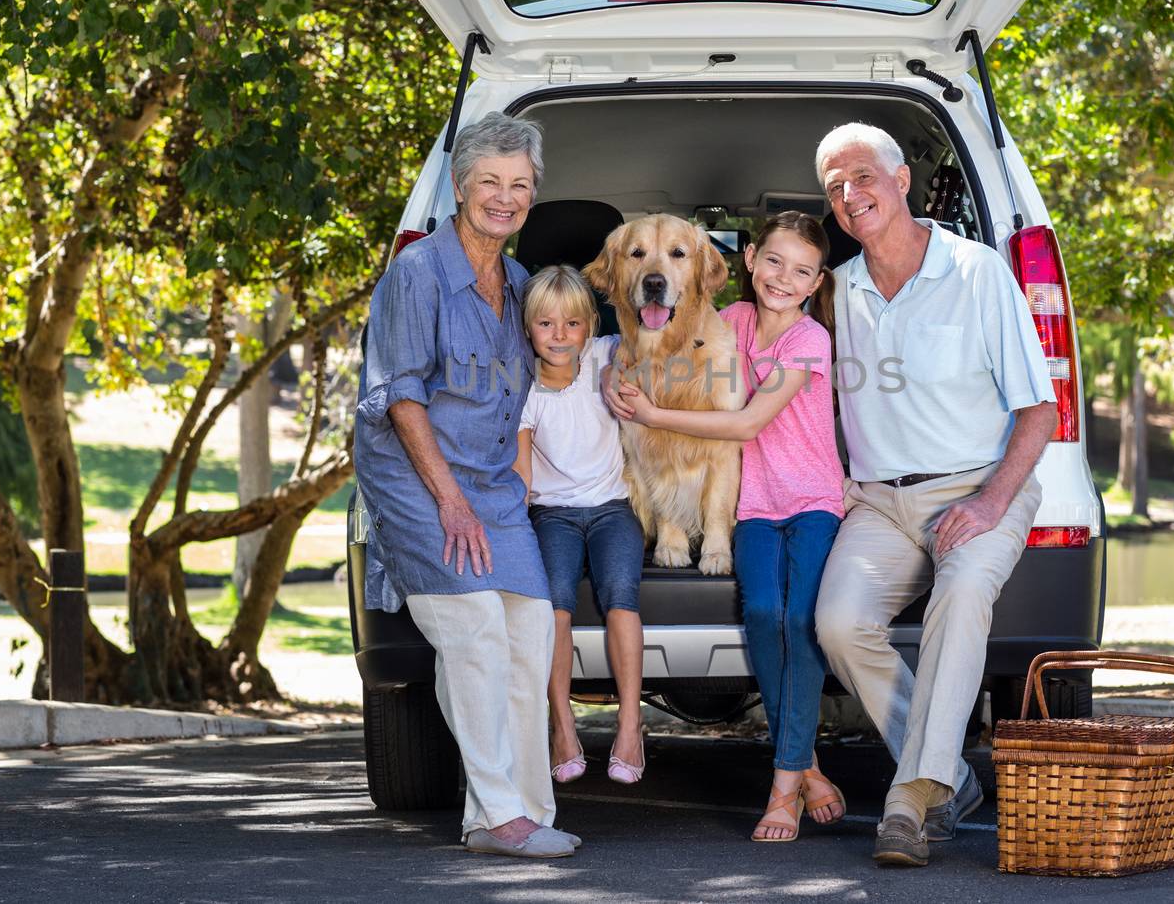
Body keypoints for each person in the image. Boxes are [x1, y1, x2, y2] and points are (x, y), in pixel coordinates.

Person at [809, 123, 1057, 867]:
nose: (851, 196)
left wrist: (988, 505)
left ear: (902, 180)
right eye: (835, 187)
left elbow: (1039, 411)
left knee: (961, 596)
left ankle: (910, 798)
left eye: (863, 177)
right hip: (880, 502)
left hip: (981, 486)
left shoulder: (978, 271)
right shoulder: (836, 289)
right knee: (839, 622)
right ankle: (951, 773)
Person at [353, 112, 580, 860]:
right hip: (417, 481)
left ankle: (522, 808)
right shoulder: (417, 272)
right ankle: (494, 813)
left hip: (490, 484)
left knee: (528, 631)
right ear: (460, 187)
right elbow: (403, 396)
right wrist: (449, 499)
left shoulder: (518, 284)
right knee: (476, 626)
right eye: (491, 182)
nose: (505, 198)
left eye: (520, 185)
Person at [608, 212, 848, 843]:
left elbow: (743, 426)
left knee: (803, 621)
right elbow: (644, 345)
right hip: (755, 508)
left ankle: (783, 784)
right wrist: (614, 375)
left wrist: (654, 409)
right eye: (772, 262)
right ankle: (810, 767)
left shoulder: (808, 341)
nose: (782, 278)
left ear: (816, 280)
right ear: (747, 260)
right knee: (765, 618)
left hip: (813, 501)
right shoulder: (732, 324)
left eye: (800, 270)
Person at [514, 265, 648, 787]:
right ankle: (564, 727)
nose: (560, 336)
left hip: (615, 507)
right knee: (555, 606)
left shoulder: (604, 355)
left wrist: (618, 368)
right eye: (546, 325)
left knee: (621, 596)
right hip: (554, 514)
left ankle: (630, 727)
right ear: (528, 328)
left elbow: (643, 336)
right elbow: (522, 475)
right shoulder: (524, 392)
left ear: (590, 325)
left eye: (572, 324)